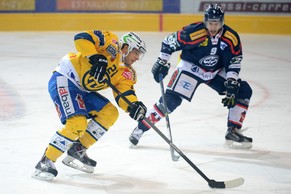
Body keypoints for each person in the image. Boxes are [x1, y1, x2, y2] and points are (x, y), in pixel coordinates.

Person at [129, 4, 253, 149]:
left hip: (215, 71)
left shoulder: (231, 37)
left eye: (216, 23)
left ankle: (233, 130)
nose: (213, 27)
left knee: (242, 90)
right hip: (191, 69)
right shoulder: (193, 32)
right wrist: (162, 61)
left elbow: (234, 60)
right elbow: (168, 42)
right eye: (210, 23)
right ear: (205, 21)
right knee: (170, 101)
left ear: (222, 22)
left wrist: (231, 81)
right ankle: (140, 129)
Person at [32, 30, 147, 181]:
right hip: (65, 78)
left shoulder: (127, 73)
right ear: (126, 46)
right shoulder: (110, 42)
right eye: (136, 52)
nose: (137, 58)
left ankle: (77, 149)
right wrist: (96, 57)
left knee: (110, 113)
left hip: (82, 89)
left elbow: (124, 93)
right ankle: (46, 161)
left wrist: (133, 105)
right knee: (77, 123)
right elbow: (81, 38)